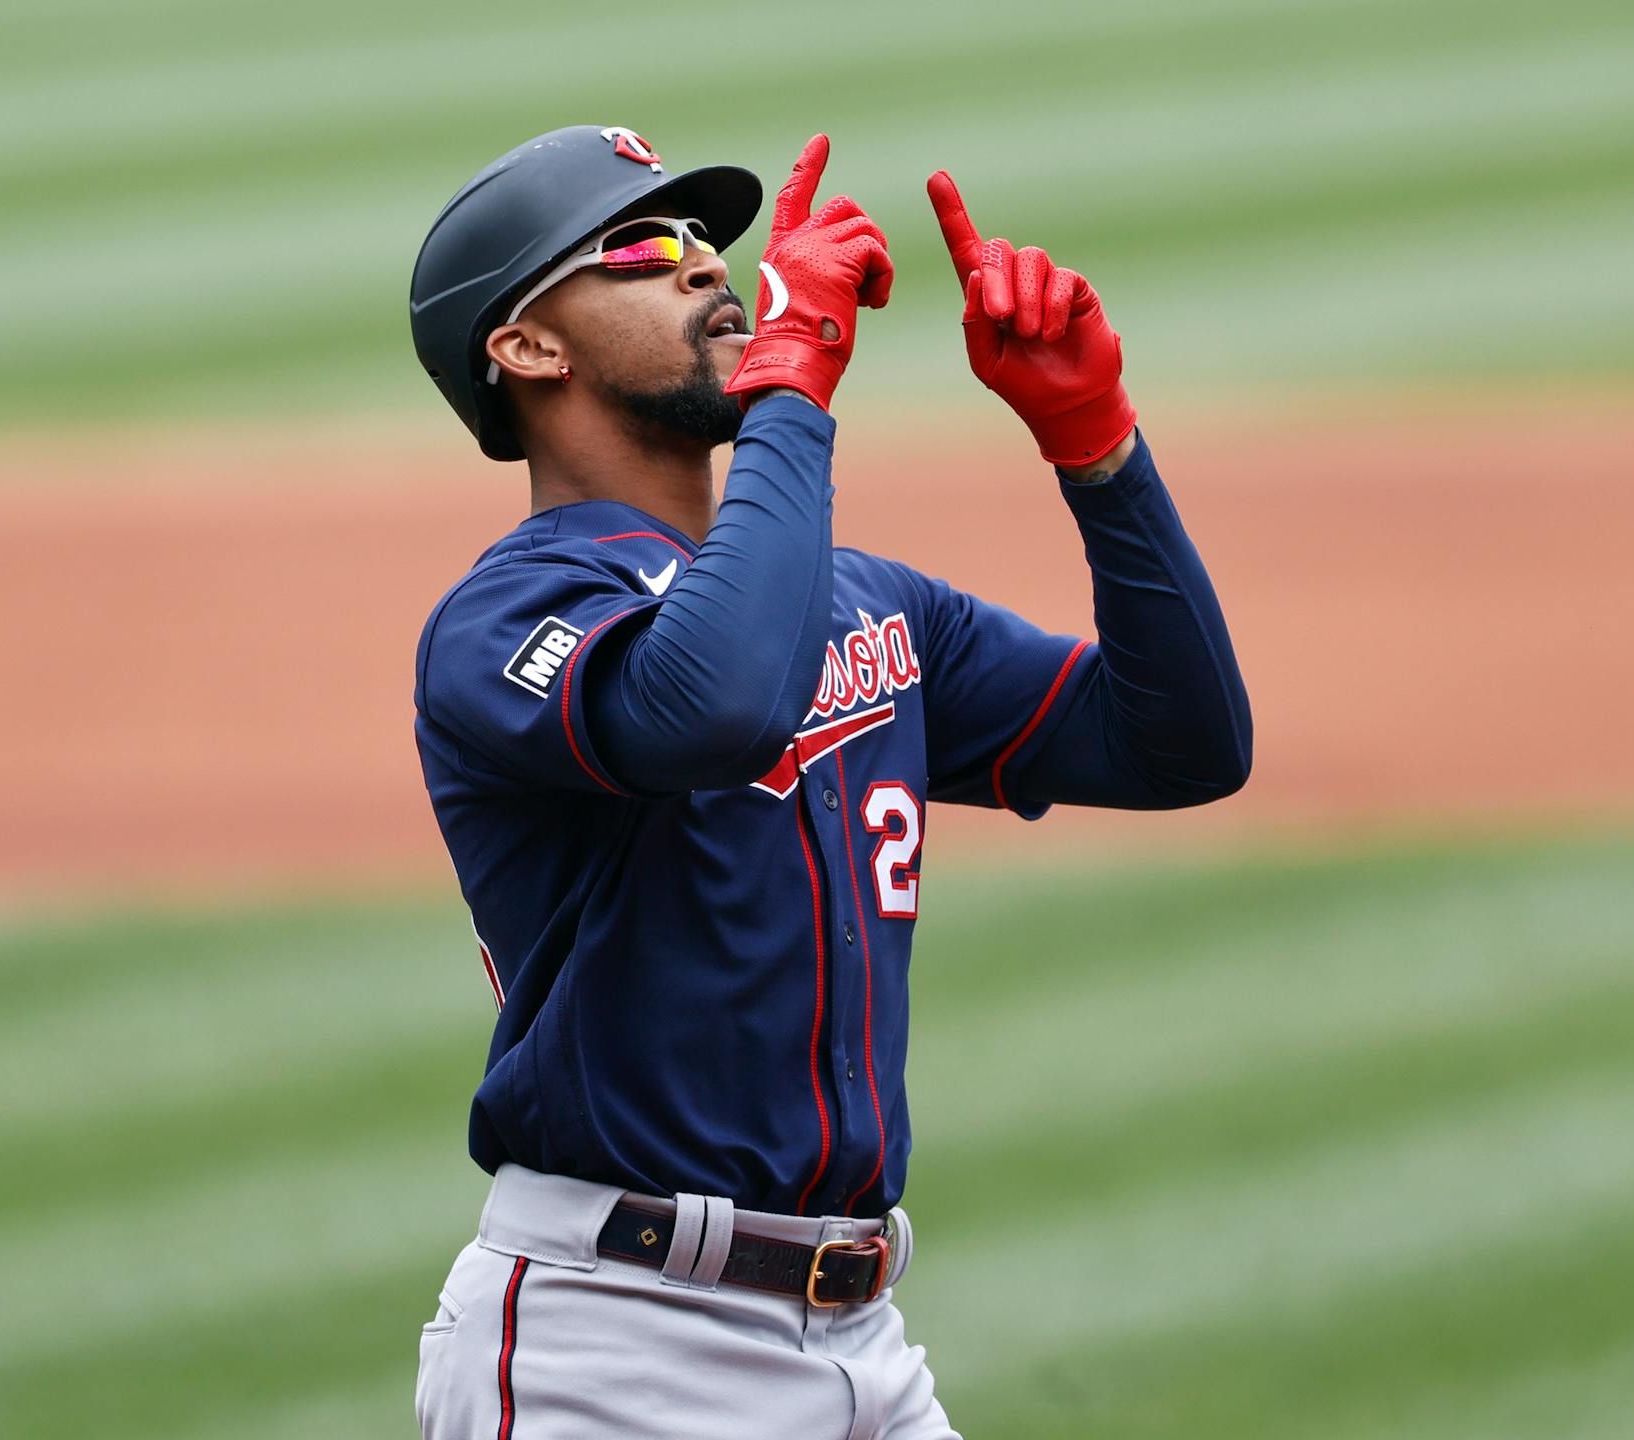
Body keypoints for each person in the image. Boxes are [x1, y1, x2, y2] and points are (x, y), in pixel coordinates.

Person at [405, 125, 1251, 1440]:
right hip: (613, 1345)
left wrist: (1093, 441)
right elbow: (715, 702)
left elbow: (1180, 744)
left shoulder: (860, 603)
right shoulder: (505, 619)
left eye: (706, 242)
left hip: (862, 1343)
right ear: (526, 348)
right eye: (638, 248)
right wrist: (794, 384)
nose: (704, 267)